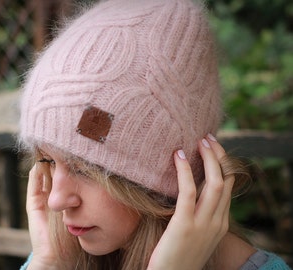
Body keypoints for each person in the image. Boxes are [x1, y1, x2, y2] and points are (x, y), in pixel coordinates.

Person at [18, 0, 291, 269]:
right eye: (50, 161)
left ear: (170, 177)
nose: (55, 200)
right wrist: (47, 263)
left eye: (86, 169)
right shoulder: (58, 257)